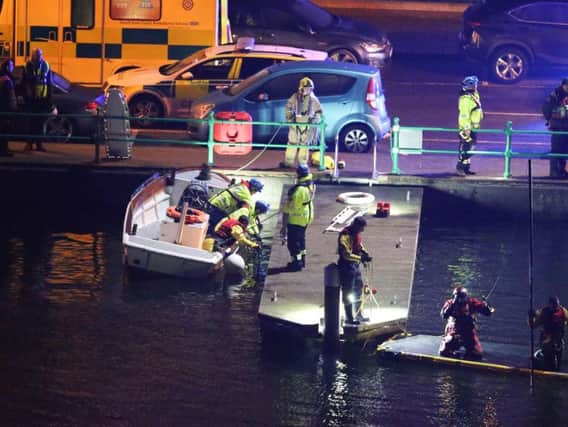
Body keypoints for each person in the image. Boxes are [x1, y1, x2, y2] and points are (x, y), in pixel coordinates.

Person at [439, 285, 494, 359]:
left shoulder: (472, 302)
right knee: (444, 351)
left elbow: (487, 313)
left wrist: (486, 306)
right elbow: (444, 315)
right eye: (458, 297)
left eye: (462, 297)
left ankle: (469, 348)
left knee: (477, 354)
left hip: (468, 332)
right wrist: (452, 306)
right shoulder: (450, 303)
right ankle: (446, 341)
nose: (460, 300)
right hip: (454, 331)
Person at [279, 77, 323, 169]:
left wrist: (313, 122)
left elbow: (319, 112)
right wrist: (290, 119)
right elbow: (288, 107)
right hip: (295, 124)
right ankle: (288, 163)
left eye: (309, 88)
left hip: (307, 126)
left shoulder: (313, 99)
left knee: (304, 145)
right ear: (301, 88)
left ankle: (302, 165)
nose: (307, 90)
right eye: (305, 88)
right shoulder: (295, 97)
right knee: (292, 143)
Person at [337, 216, 373, 325]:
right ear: (356, 225)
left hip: (355, 266)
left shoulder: (356, 233)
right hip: (346, 267)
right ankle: (349, 317)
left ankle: (358, 314)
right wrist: (361, 258)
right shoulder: (345, 235)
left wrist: (364, 252)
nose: (362, 231)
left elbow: (358, 245)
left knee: (358, 290)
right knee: (348, 292)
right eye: (361, 228)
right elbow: (346, 254)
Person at [280, 164, 315, 271]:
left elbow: (292, 207)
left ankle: (297, 263)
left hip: (297, 219)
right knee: (301, 239)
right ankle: (302, 260)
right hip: (306, 216)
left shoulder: (299, 190)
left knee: (293, 242)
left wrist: (284, 213)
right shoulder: (310, 184)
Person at [22, 48, 52, 152]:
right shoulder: (28, 66)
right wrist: (26, 96)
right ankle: (29, 144)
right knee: (32, 122)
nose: (39, 57)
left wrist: (49, 99)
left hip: (42, 99)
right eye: (37, 55)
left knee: (40, 122)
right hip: (32, 99)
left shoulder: (46, 65)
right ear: (32, 55)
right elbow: (25, 82)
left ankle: (39, 144)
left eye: (40, 55)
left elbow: (49, 82)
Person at [528, 296, 568, 370]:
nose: (556, 307)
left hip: (558, 341)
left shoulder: (563, 312)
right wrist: (531, 317)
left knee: (557, 363)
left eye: (557, 305)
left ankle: (555, 370)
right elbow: (533, 325)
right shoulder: (543, 312)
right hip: (547, 341)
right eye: (554, 305)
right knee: (549, 361)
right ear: (549, 305)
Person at [456, 75, 484, 176]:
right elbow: (464, 116)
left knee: (470, 148)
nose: (476, 86)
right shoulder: (466, 100)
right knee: (468, 148)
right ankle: (460, 168)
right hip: (466, 129)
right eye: (474, 84)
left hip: (473, 128)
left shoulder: (472, 95)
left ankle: (466, 168)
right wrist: (466, 129)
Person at [542, 77, 568, 178]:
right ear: (563, 85)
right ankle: (554, 172)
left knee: (564, 151)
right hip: (558, 128)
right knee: (557, 150)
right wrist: (550, 120)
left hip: (566, 128)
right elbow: (546, 108)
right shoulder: (555, 95)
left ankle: (561, 171)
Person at [0, 59, 17, 157]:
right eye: (11, 66)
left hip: (4, 107)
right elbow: (8, 95)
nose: (13, 67)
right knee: (5, 129)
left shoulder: (4, 77)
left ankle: (4, 148)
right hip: (5, 108)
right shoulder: (6, 79)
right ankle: (4, 150)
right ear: (7, 67)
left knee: (4, 129)